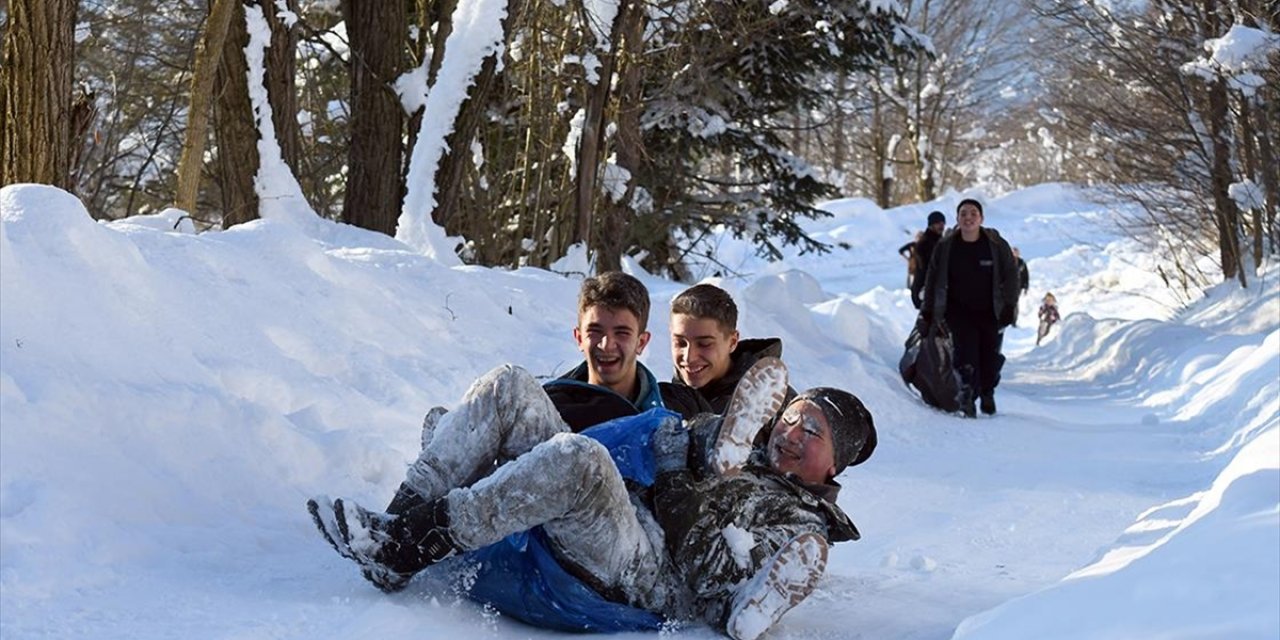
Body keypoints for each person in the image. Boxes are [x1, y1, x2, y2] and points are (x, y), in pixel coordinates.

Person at [307, 357, 877, 640]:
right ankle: (396, 525)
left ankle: (409, 545)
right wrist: (694, 444)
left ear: (835, 464)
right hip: (632, 512)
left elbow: (706, 571)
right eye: (791, 419)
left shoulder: (798, 524)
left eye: (813, 432)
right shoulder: (746, 456)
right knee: (509, 386)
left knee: (578, 461)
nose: (791, 434)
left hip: (654, 575)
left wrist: (675, 475)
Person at [919, 198, 1019, 418]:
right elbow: (933, 279)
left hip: (990, 311)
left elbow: (1011, 275)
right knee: (966, 356)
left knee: (989, 357)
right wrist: (927, 311)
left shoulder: (995, 244)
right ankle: (967, 395)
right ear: (957, 218)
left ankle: (987, 391)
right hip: (957, 312)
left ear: (981, 218)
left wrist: (1009, 305)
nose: (968, 217)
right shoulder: (946, 246)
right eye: (963, 213)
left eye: (973, 213)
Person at [659, 283, 796, 426]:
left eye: (704, 344)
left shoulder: (774, 402)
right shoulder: (662, 401)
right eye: (680, 343)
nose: (689, 357)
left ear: (732, 342)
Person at [910, 211, 947, 309]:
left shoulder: (939, 241)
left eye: (943, 223)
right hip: (925, 291)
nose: (941, 226)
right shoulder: (925, 243)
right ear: (931, 225)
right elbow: (927, 269)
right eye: (938, 223)